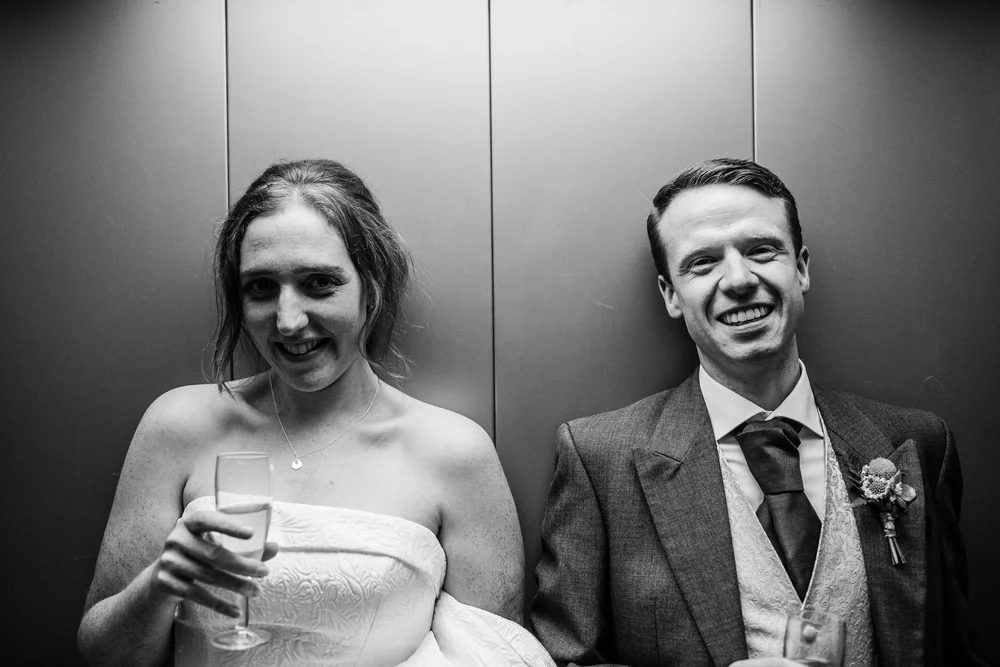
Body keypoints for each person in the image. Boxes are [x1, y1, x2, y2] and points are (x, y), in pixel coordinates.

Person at [78, 159, 554, 666]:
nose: (288, 320)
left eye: (319, 283)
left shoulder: (456, 454)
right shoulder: (176, 427)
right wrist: (158, 586)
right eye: (261, 287)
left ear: (373, 287)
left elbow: (496, 656)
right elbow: (102, 656)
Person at [530, 158, 982, 666]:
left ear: (802, 268)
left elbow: (954, 651)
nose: (739, 279)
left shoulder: (919, 443)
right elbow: (562, 661)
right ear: (671, 295)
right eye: (702, 263)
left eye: (761, 250)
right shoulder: (598, 459)